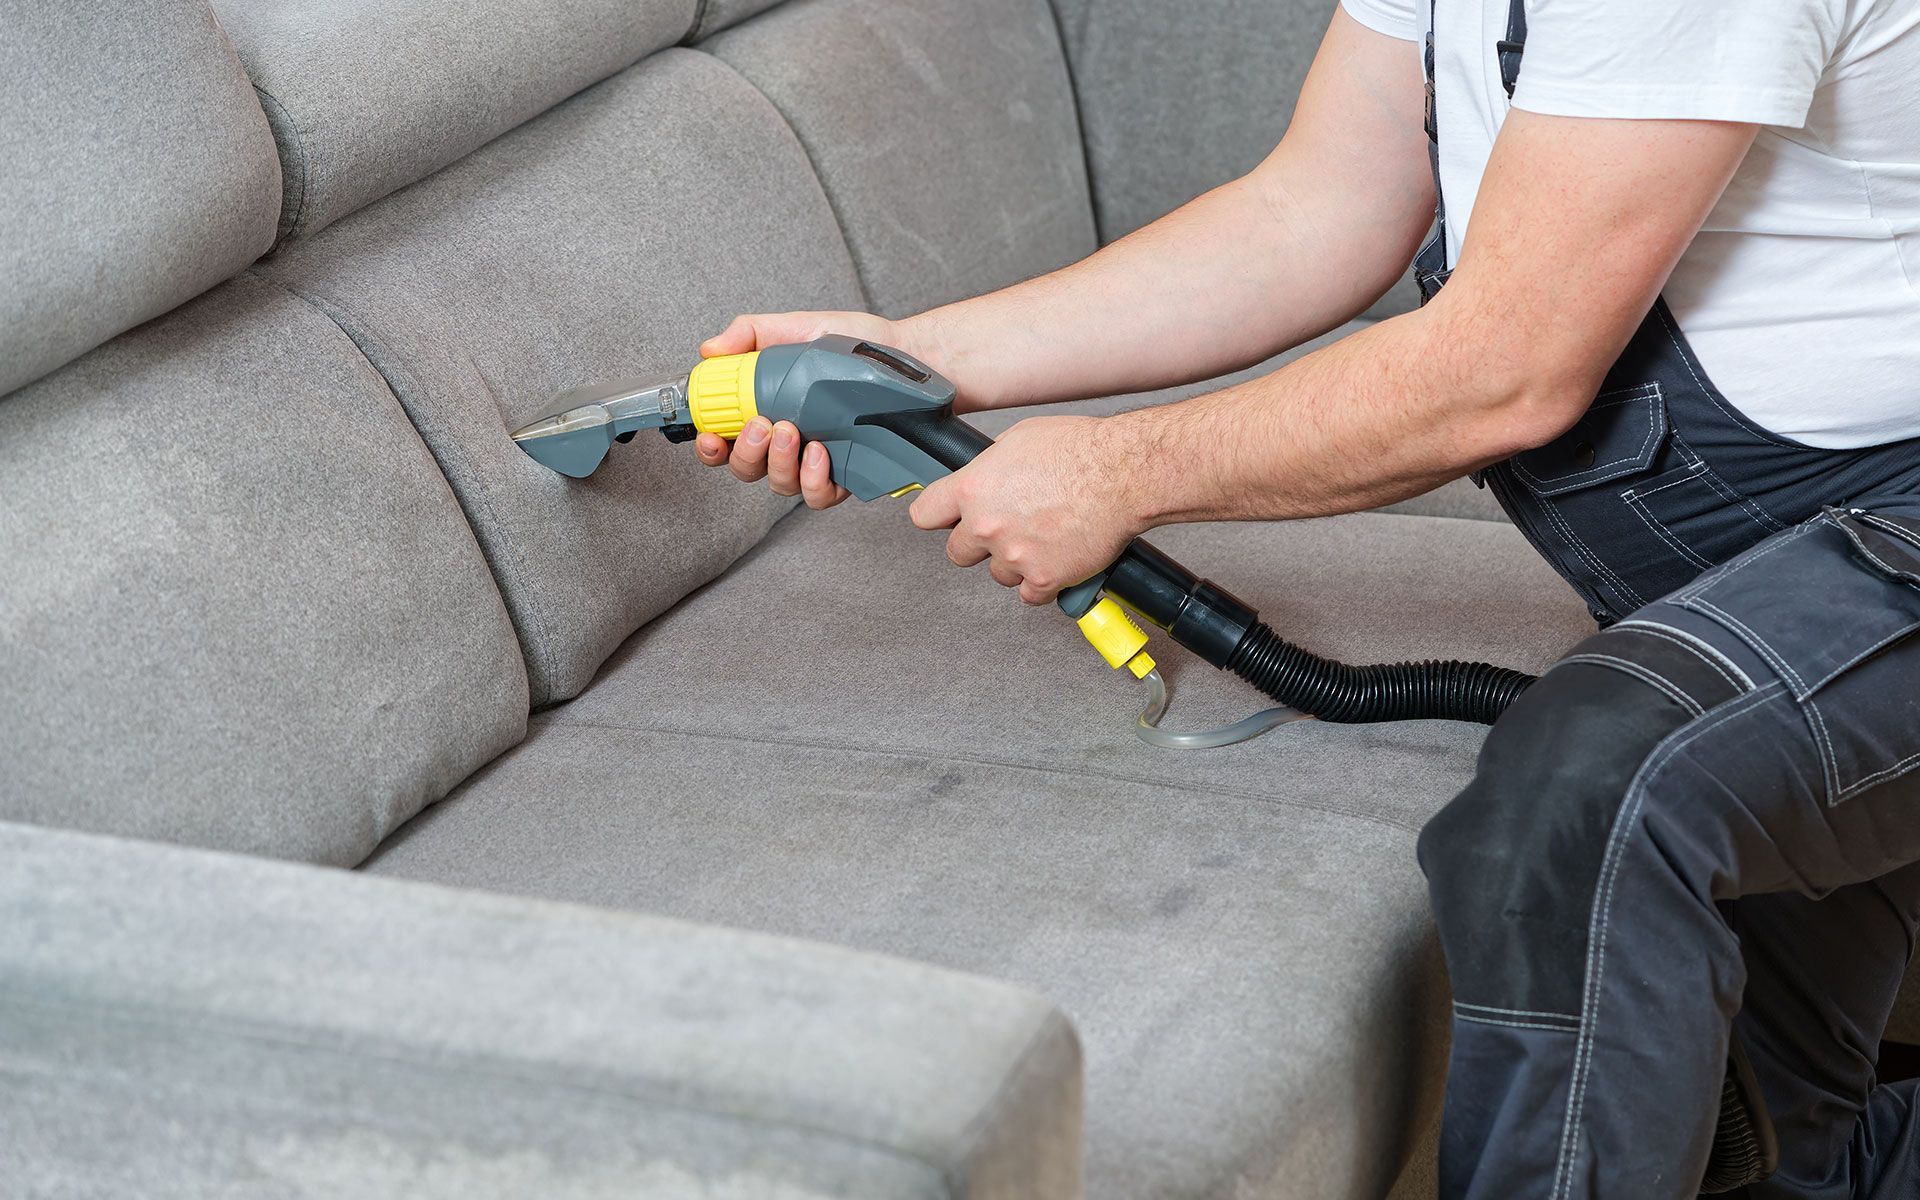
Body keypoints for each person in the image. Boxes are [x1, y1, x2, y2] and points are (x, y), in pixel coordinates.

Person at [694, 2, 1920, 1195]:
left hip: (1884, 539)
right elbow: (1318, 208)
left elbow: (1505, 368)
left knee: (1590, 801)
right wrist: (907, 364)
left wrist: (1115, 472)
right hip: (1764, 573)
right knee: (1786, 1168)